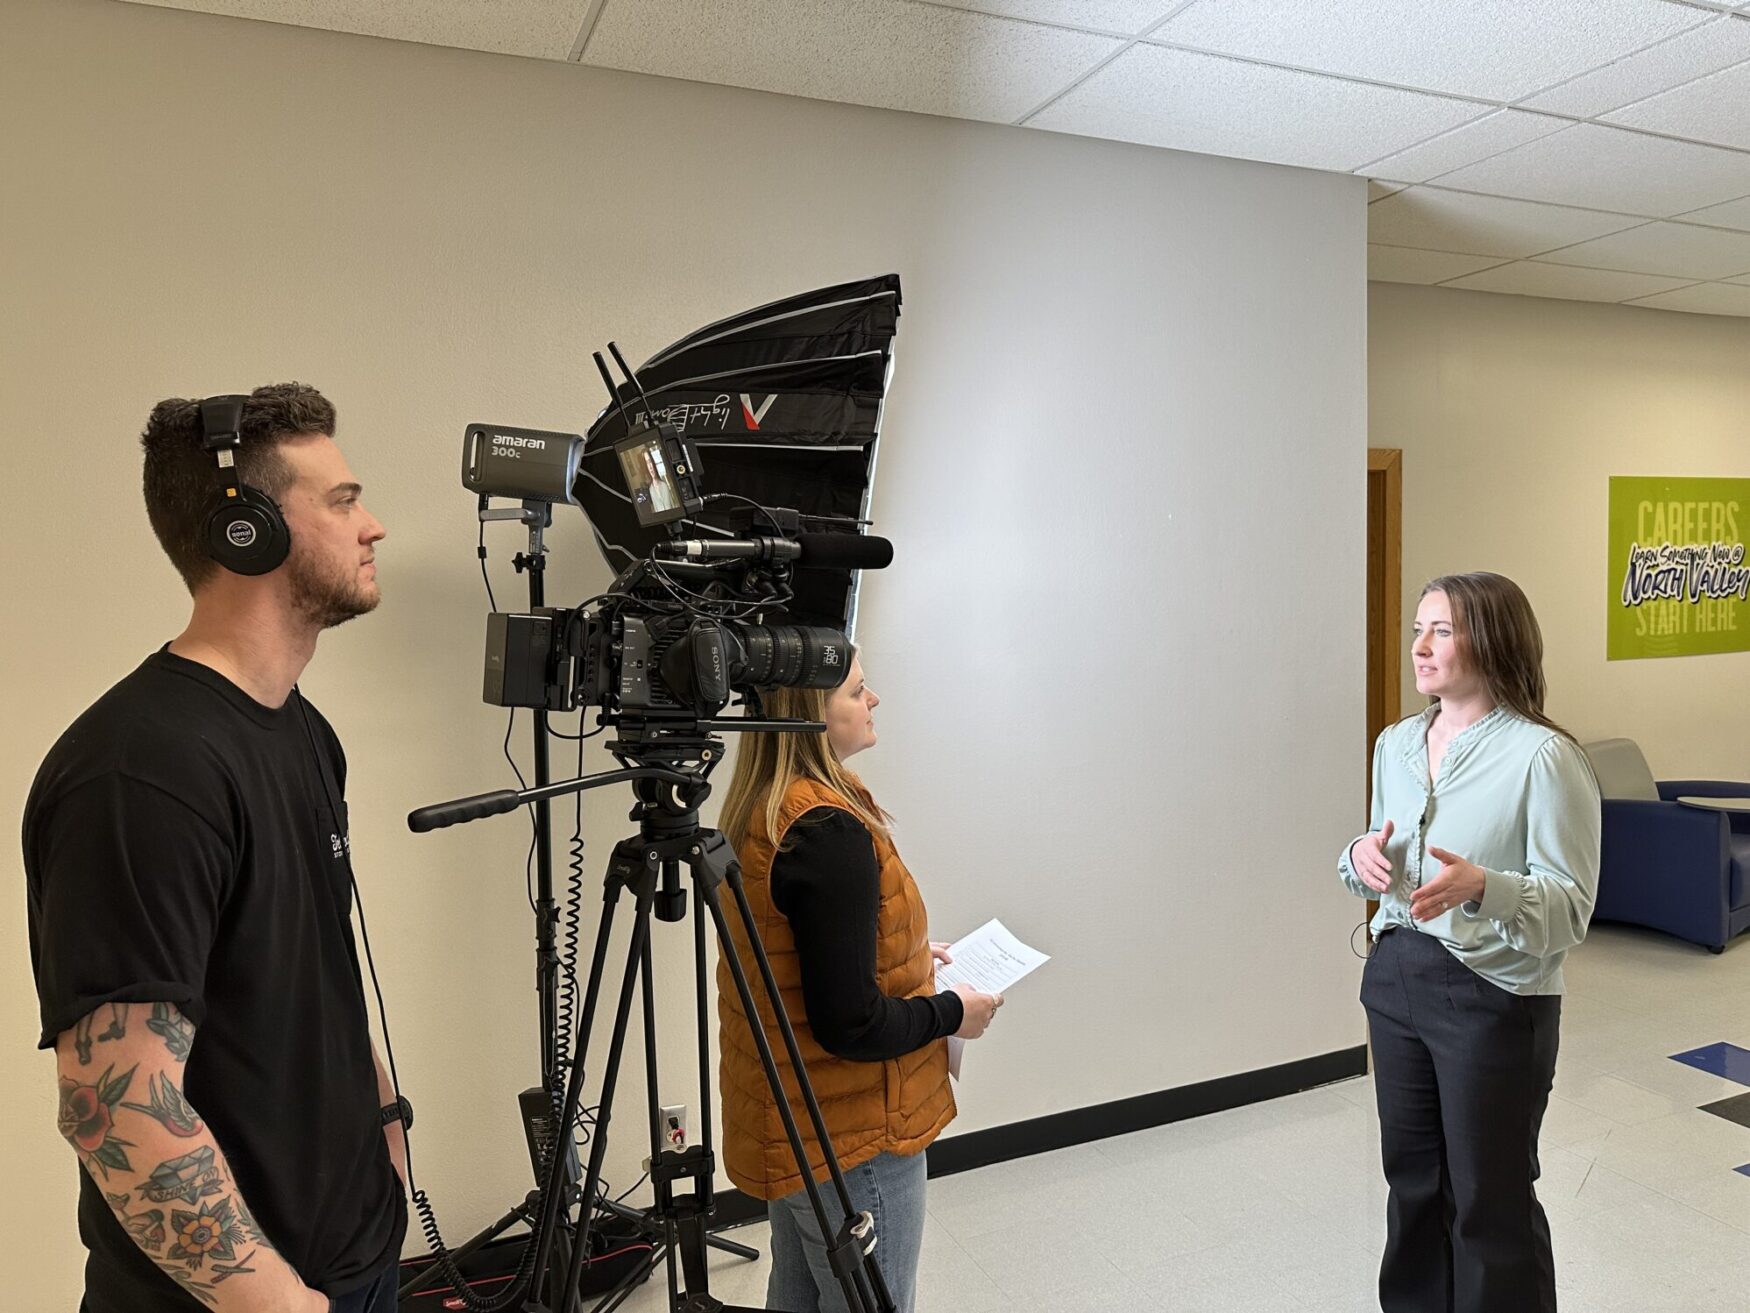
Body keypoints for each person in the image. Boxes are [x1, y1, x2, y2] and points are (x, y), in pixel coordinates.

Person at [23, 385, 404, 1313]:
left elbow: (299, 971)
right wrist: (281, 1302)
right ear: (250, 532)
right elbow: (112, 1104)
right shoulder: (139, 771)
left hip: (354, 1262)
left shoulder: (303, 731)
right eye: (344, 500)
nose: (375, 526)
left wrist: (384, 1124)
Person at [1340, 572, 1600, 1313]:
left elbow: (1572, 909)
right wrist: (1359, 855)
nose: (1420, 646)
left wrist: (1486, 885)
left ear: (1491, 637)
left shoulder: (1543, 757)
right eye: (1417, 629)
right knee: (1413, 1185)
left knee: (1490, 1200)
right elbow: (1378, 854)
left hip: (1493, 995)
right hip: (1396, 980)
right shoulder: (1394, 744)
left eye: (1441, 631)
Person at [715, 651, 1001, 1313]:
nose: (875, 699)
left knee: (798, 1296)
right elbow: (852, 1024)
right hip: (857, 1141)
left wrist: (905, 952)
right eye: (857, 688)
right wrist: (953, 1011)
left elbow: (798, 958)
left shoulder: (767, 810)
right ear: (808, 712)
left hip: (799, 1127)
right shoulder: (825, 830)